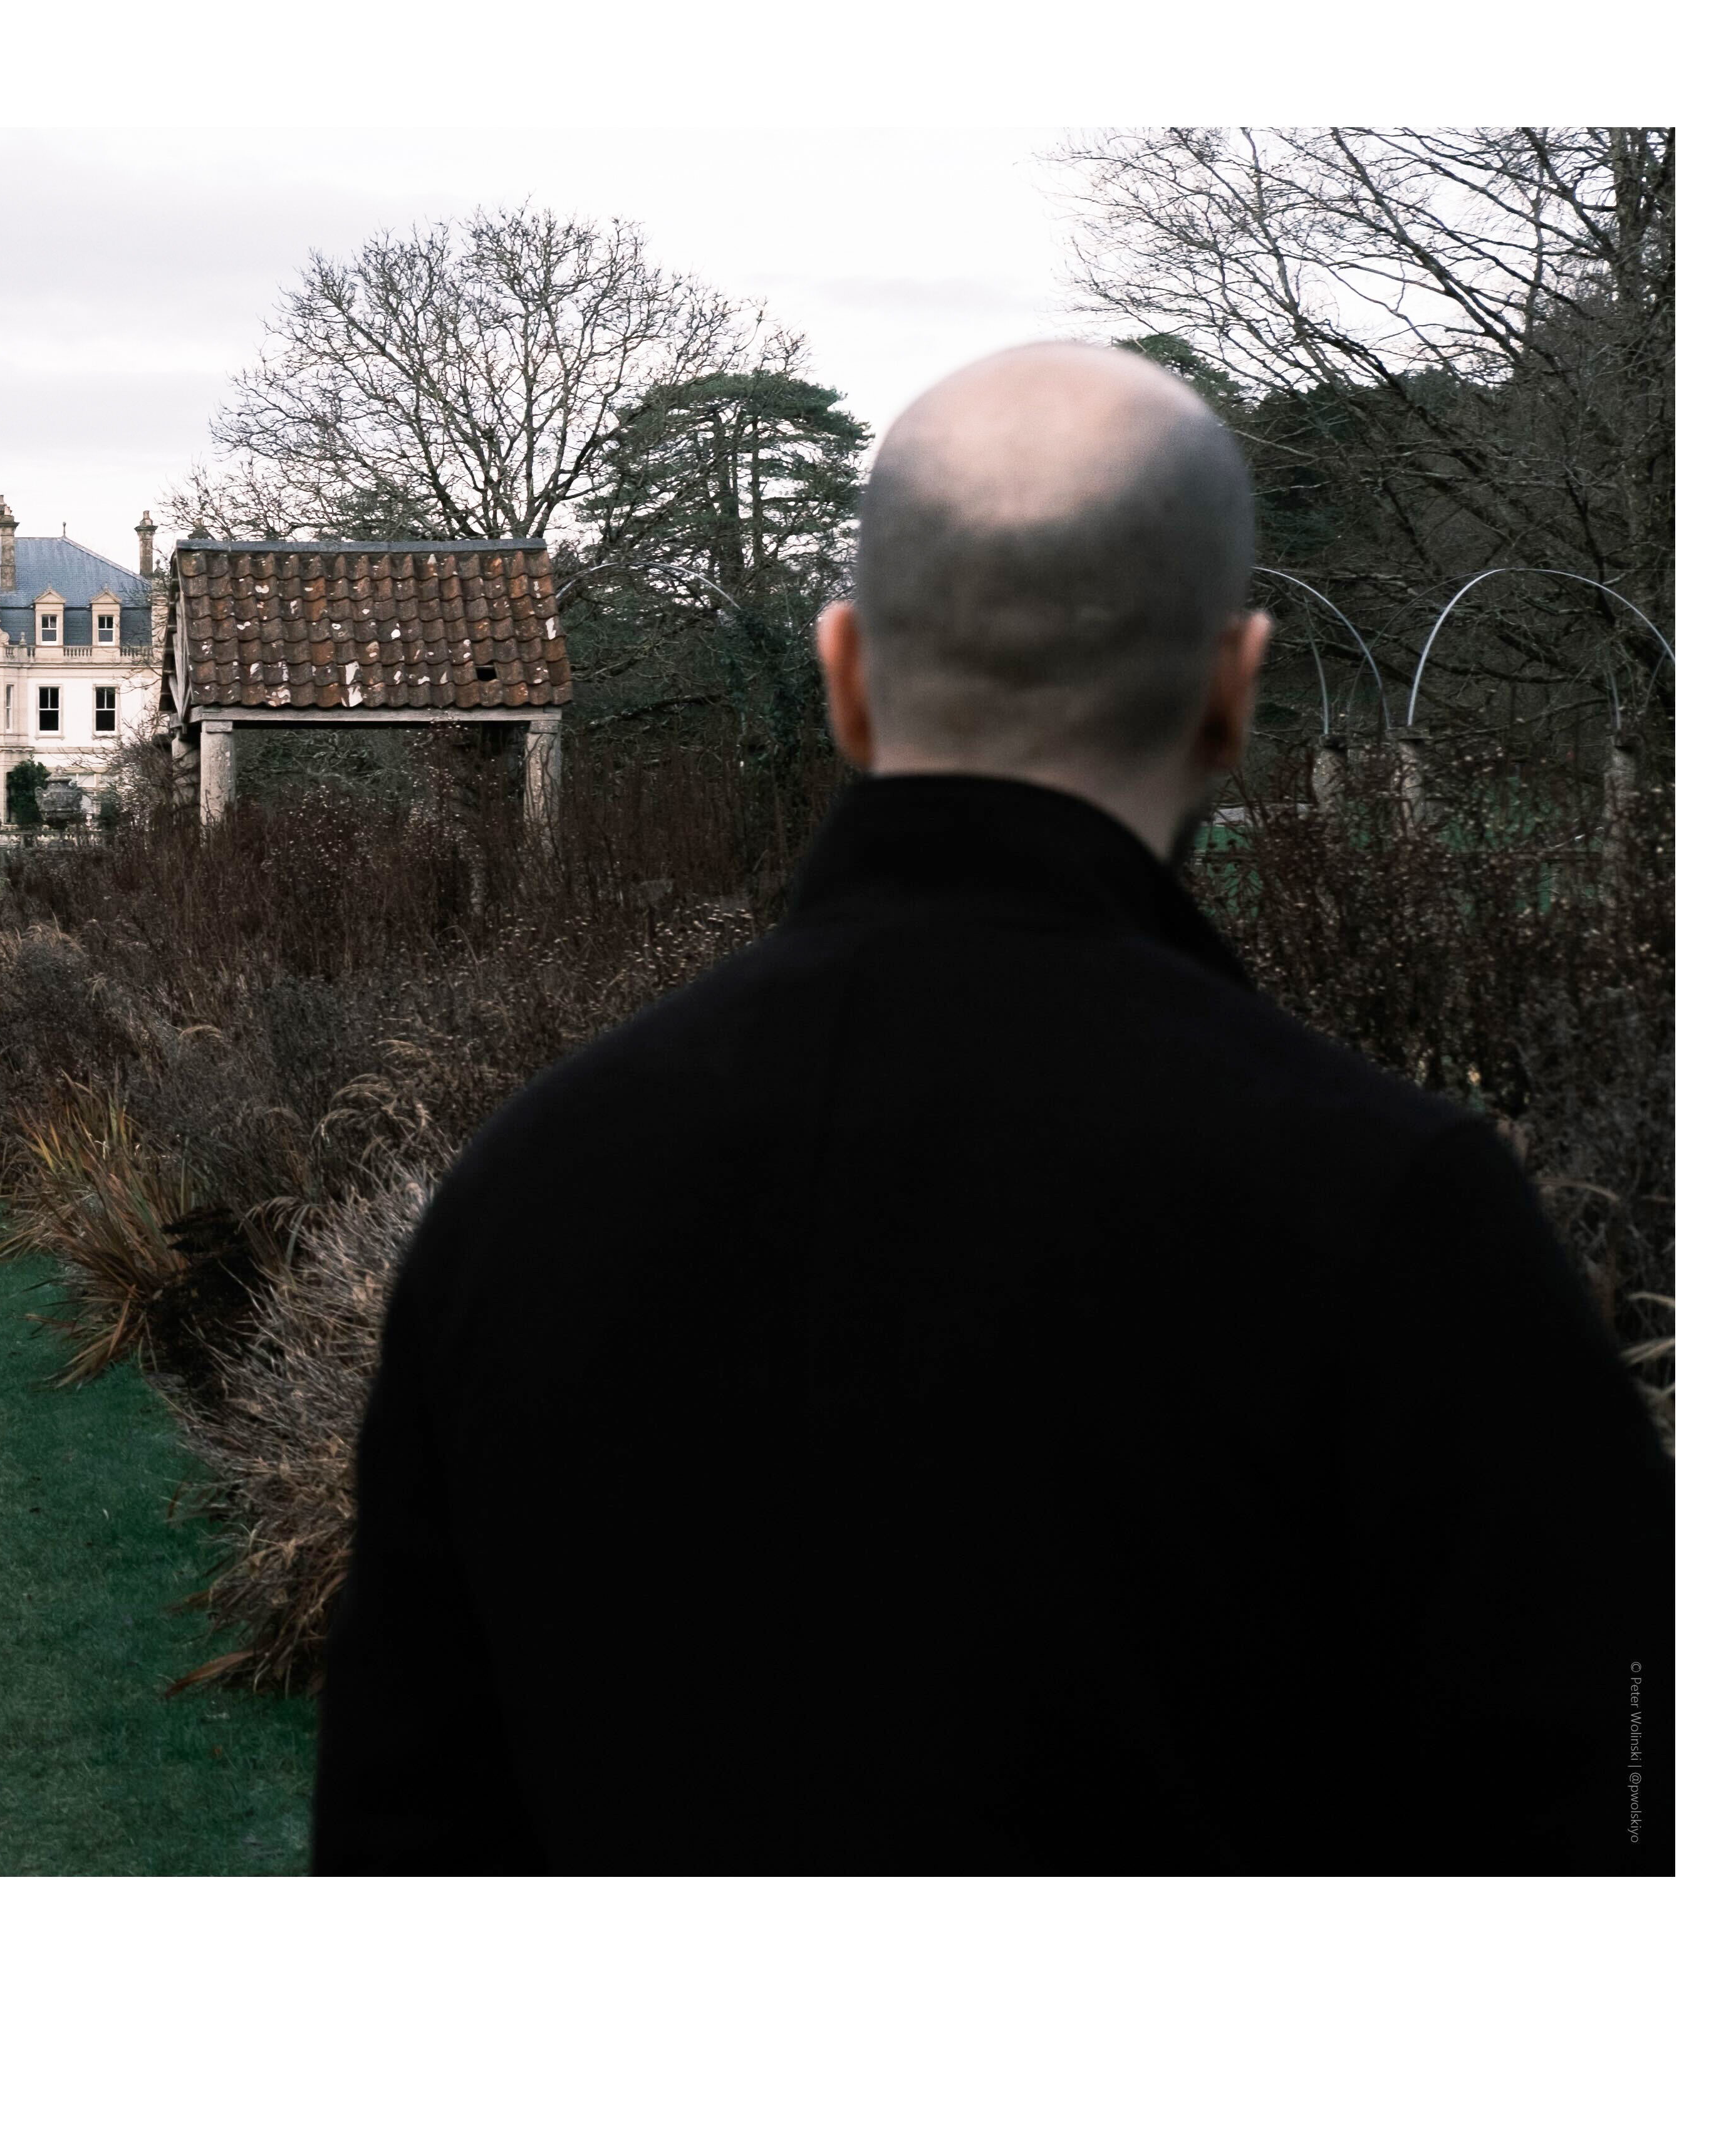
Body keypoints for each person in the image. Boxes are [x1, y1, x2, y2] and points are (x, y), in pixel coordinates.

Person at [309, 343, 1673, 1874]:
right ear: (1231, 689)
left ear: (843, 676)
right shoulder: (1397, 1215)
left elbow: (402, 1836)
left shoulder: (525, 1191)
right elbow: (1600, 1822)